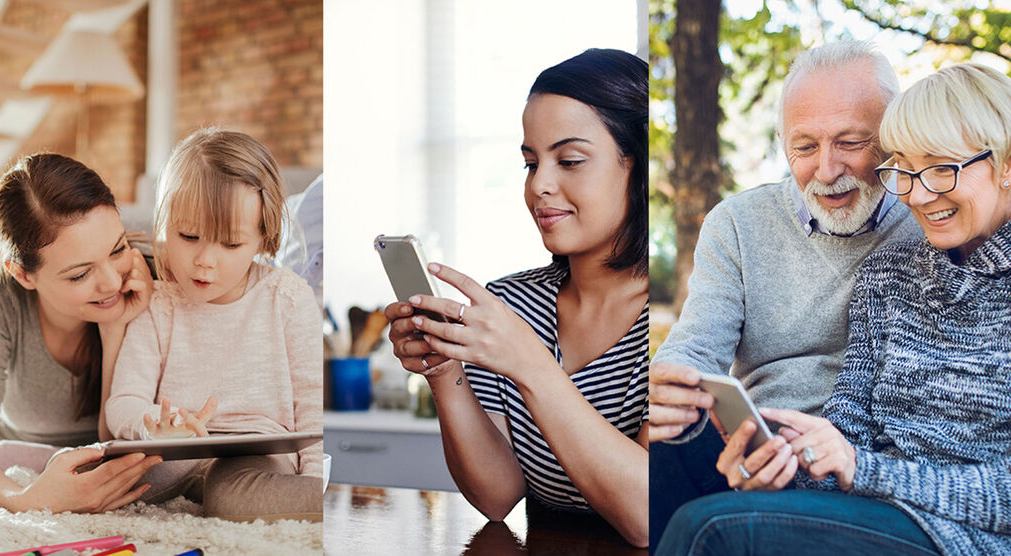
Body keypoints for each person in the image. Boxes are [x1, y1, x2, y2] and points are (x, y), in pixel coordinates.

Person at [663, 61, 1011, 556]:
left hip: (963, 535)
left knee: (711, 530)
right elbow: (849, 425)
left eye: (940, 169)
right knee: (672, 461)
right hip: (875, 506)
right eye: (906, 170)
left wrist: (859, 468)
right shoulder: (893, 271)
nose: (919, 192)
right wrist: (788, 463)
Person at [647, 40, 923, 545]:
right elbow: (697, 343)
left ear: (892, 138)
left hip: (862, 460)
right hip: (754, 444)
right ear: (782, 144)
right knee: (664, 438)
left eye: (850, 142)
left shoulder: (929, 221)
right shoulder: (736, 224)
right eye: (805, 146)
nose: (826, 169)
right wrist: (672, 382)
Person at [384, 48, 649, 547]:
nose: (539, 186)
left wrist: (528, 363)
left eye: (569, 160)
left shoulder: (676, 316)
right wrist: (444, 371)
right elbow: (497, 496)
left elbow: (647, 515)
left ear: (638, 166)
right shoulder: (510, 304)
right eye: (531, 163)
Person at [105, 128, 323, 522]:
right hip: (172, 456)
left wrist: (314, 480)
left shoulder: (286, 297)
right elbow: (121, 404)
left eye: (230, 244)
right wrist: (154, 423)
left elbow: (311, 410)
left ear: (264, 239)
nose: (205, 260)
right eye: (188, 236)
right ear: (165, 223)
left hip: (255, 458)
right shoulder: (160, 304)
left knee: (231, 496)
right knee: (97, 477)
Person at [0, 153, 161, 512]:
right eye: (80, 274)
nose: (113, 282)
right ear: (23, 274)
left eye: (117, 249)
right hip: (18, 458)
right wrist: (26, 499)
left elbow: (121, 443)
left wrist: (114, 331)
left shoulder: (150, 278)